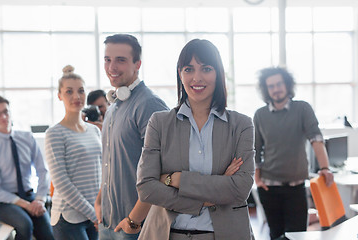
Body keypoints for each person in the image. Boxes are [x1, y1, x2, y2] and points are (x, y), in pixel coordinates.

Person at [136, 39, 255, 240]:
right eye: (189, 69)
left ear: (218, 74)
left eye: (206, 69)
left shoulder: (241, 125)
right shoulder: (159, 123)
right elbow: (146, 188)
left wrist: (176, 179)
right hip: (166, 234)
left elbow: (240, 189)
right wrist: (204, 199)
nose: (197, 78)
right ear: (180, 74)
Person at [94, 34, 168, 240]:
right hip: (108, 222)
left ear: (138, 64)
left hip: (135, 226)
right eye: (107, 60)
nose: (111, 67)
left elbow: (164, 170)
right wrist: (99, 201)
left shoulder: (149, 105)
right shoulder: (113, 107)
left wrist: (133, 221)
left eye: (120, 60)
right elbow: (110, 163)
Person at [253, 67, 334, 240]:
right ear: (266, 90)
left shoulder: (302, 108)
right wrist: (257, 179)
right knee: (275, 235)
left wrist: (325, 167)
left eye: (279, 84)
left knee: (297, 235)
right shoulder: (260, 114)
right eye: (271, 86)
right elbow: (256, 149)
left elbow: (316, 139)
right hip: (269, 188)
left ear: (287, 84)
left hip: (296, 187)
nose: (276, 89)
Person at [45, 65, 102, 240]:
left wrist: (100, 209)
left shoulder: (95, 131)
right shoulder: (54, 133)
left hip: (96, 214)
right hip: (68, 217)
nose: (76, 96)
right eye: (69, 92)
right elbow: (62, 182)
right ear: (60, 96)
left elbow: (101, 172)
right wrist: (93, 213)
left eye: (81, 91)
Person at [0, 95, 54, 240]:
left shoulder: (27, 138)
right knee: (25, 224)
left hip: (30, 196)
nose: (4, 117)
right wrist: (27, 205)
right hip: (3, 201)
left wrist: (40, 200)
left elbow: (43, 171)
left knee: (49, 235)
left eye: (6, 111)